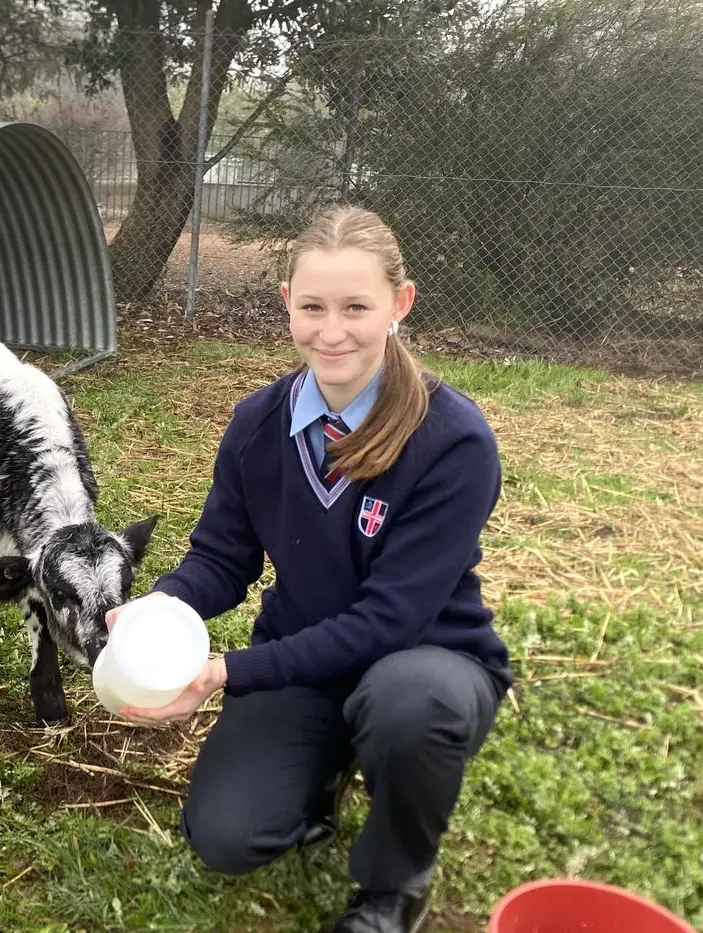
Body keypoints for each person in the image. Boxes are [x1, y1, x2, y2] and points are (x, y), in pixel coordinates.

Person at [108, 205, 512, 933]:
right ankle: (322, 773)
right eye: (313, 306)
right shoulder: (257, 424)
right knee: (228, 836)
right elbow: (222, 559)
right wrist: (158, 612)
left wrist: (224, 671)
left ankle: (393, 888)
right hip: (305, 661)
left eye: (357, 307)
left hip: (426, 658)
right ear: (286, 304)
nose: (333, 331)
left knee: (409, 706)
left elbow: (391, 619)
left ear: (401, 304)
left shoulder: (453, 439)